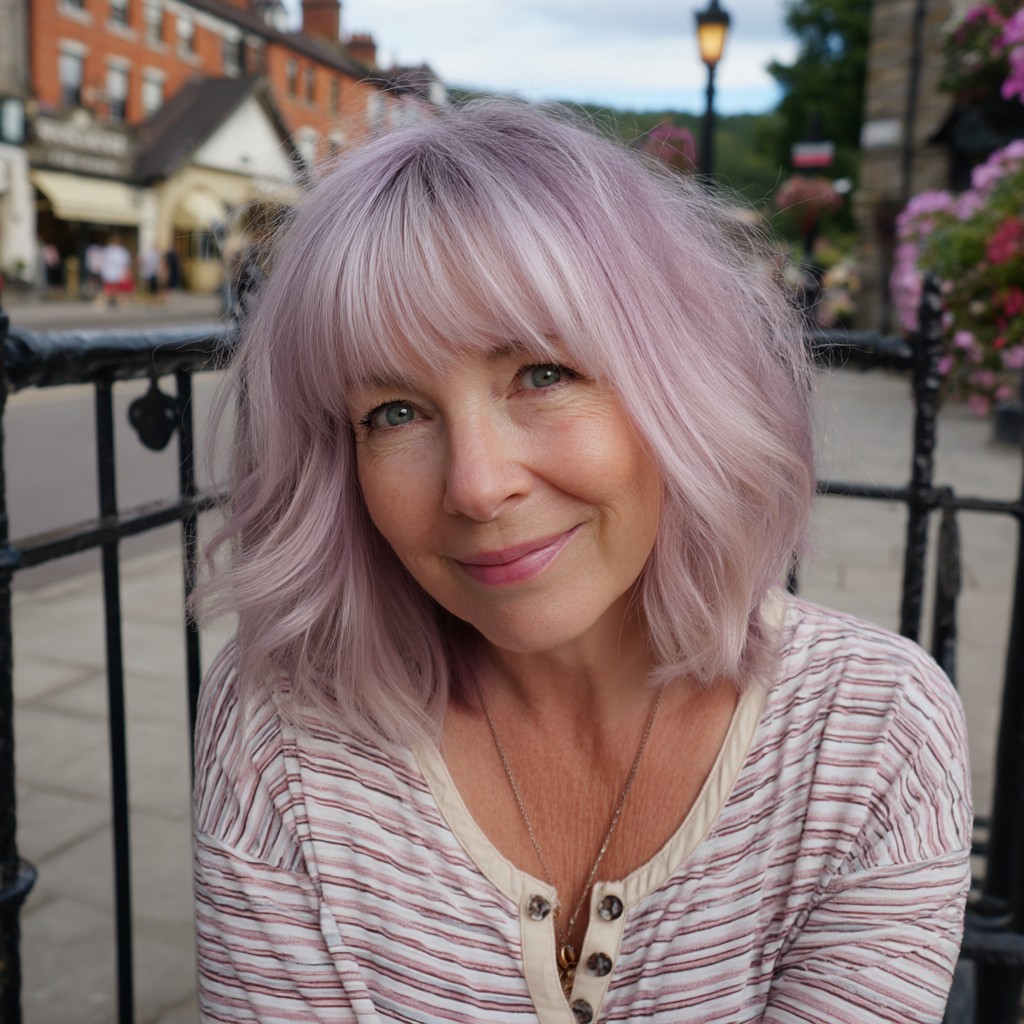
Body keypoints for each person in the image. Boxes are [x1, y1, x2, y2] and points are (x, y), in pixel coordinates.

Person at [193, 102, 971, 1024]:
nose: (477, 487)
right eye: (395, 412)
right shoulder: (283, 733)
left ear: (680, 382)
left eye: (543, 374)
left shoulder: (871, 743)